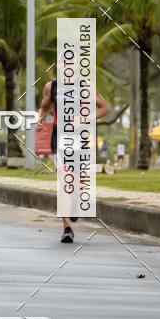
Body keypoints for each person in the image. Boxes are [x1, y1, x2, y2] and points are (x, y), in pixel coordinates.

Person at [36, 78, 110, 244]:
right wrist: (39, 120)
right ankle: (67, 228)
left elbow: (104, 108)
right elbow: (43, 107)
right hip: (59, 141)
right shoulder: (51, 87)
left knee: (76, 185)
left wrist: (85, 119)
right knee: (63, 182)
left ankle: (76, 200)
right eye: (64, 63)